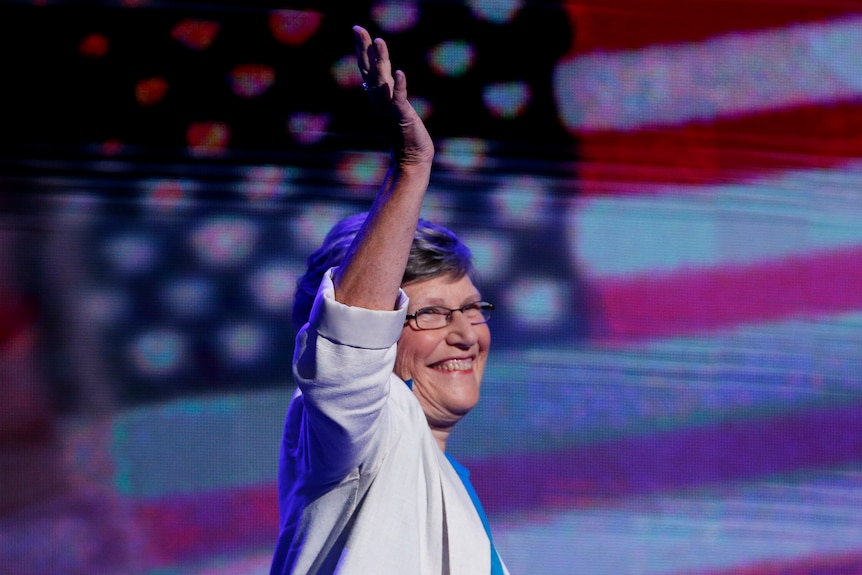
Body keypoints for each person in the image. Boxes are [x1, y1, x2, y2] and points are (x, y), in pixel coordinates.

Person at [269, 26, 508, 575]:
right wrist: (410, 169)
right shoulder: (364, 435)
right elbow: (347, 353)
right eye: (429, 314)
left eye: (471, 309)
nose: (466, 334)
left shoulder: (446, 480)